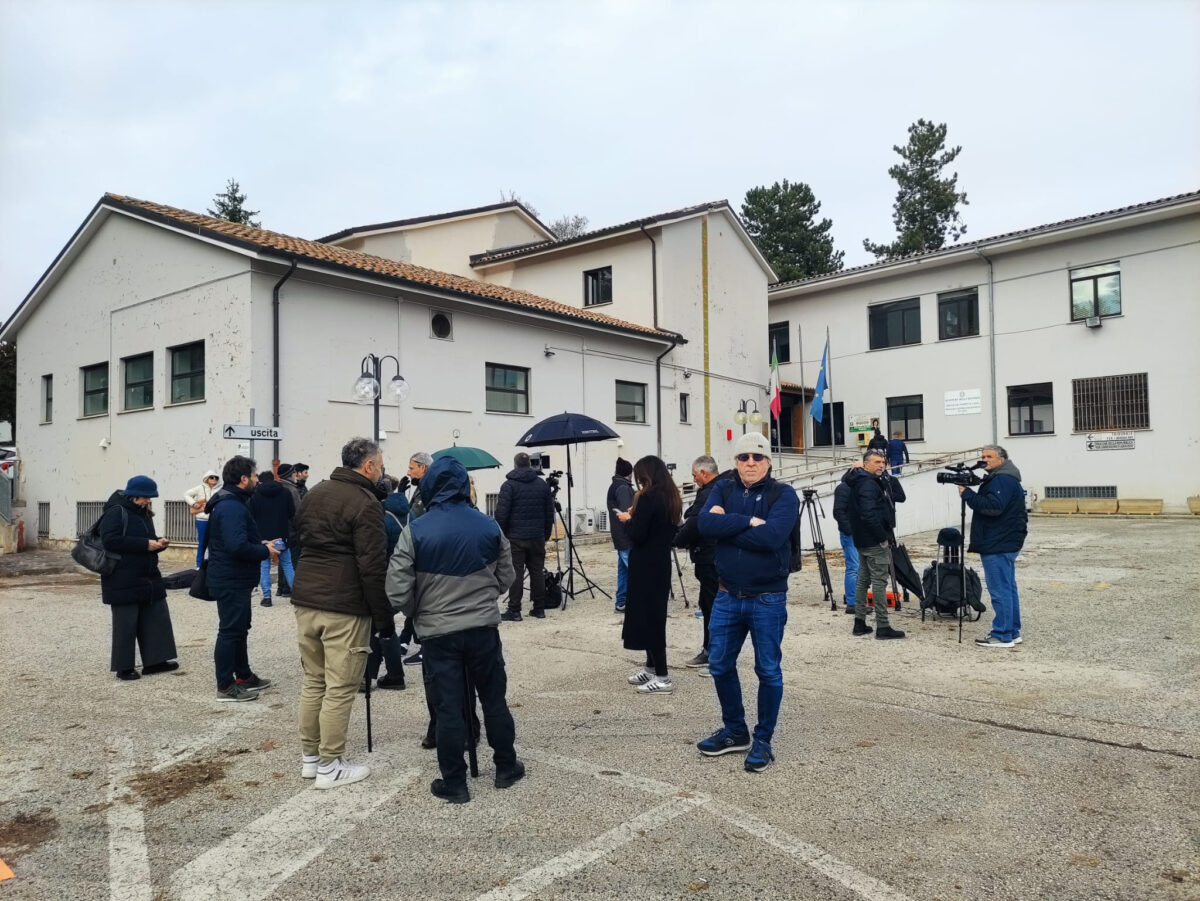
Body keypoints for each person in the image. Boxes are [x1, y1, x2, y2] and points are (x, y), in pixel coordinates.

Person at [386, 456, 523, 804]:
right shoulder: (489, 526)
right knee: (493, 698)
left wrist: (420, 611)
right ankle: (506, 767)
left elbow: (397, 590)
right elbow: (507, 576)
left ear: (429, 486)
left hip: (438, 634)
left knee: (448, 707)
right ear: (465, 486)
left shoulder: (414, 530)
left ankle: (455, 782)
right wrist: (483, 596)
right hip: (482, 628)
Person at [291, 438, 395, 789]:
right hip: (344, 604)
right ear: (368, 467)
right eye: (379, 464)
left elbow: (298, 541)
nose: (381, 470)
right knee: (340, 686)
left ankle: (310, 758)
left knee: (314, 680)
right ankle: (330, 764)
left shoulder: (315, 492)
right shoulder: (365, 503)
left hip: (306, 598)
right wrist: (384, 618)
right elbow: (373, 566)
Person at [696, 432, 798, 772]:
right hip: (726, 596)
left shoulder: (783, 494)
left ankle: (763, 741)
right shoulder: (722, 488)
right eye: (743, 457)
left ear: (768, 461)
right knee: (720, 664)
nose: (750, 463)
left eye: (757, 457)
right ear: (735, 462)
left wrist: (728, 526)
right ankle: (735, 730)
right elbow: (704, 524)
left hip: (767, 598)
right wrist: (745, 521)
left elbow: (772, 537)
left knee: (767, 670)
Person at [205, 456, 280, 702]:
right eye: (255, 476)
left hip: (236, 578)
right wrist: (264, 551)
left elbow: (237, 541)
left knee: (239, 629)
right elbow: (236, 546)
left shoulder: (233, 502)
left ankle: (243, 676)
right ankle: (225, 686)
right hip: (230, 579)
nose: (258, 480)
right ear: (244, 479)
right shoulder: (231, 507)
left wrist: (260, 543)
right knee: (230, 631)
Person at [100, 476, 178, 681]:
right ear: (135, 495)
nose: (149, 501)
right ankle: (123, 667)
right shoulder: (116, 511)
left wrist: (158, 542)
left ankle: (156, 661)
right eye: (146, 497)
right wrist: (145, 544)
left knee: (155, 616)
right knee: (125, 623)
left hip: (147, 574)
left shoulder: (143, 513)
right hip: (122, 576)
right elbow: (110, 540)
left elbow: (140, 539)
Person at [617, 456, 683, 693]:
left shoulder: (648, 497)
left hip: (645, 564)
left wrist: (628, 519)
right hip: (660, 562)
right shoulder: (672, 496)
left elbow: (638, 534)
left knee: (650, 618)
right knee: (653, 614)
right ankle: (651, 668)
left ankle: (663, 676)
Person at [960, 445, 1028, 649]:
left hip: (998, 542)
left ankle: (1003, 634)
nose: (985, 459)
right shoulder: (1005, 478)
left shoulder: (1002, 479)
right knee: (1008, 588)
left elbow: (993, 507)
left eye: (989, 456)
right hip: (1004, 540)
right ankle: (1012, 631)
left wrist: (967, 494)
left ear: (1002, 459)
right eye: (982, 456)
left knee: (1000, 590)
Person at [845, 449, 907, 640]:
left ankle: (860, 622)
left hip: (863, 539)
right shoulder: (868, 484)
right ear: (865, 464)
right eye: (877, 462)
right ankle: (883, 625)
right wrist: (882, 537)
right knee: (879, 582)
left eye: (883, 462)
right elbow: (868, 514)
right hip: (873, 540)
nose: (881, 465)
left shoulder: (860, 480)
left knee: (864, 580)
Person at [673, 455, 722, 673]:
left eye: (695, 476)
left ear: (704, 473)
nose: (694, 480)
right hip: (710, 556)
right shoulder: (716, 490)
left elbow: (695, 521)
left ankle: (715, 654)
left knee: (713, 608)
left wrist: (675, 540)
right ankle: (711, 650)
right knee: (709, 605)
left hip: (710, 558)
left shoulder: (711, 492)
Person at [495, 452, 555, 621]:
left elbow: (501, 514)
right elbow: (549, 512)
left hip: (516, 537)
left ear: (515, 465)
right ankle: (539, 608)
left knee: (516, 573)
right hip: (537, 536)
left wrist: (503, 535)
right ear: (530, 464)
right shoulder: (542, 485)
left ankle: (514, 610)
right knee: (537, 572)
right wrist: (545, 533)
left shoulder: (509, 485)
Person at [364, 474, 407, 691]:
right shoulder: (409, 512)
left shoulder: (381, 516)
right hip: (399, 575)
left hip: (382, 575)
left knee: (374, 627)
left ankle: (371, 675)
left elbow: (374, 550)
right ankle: (394, 673)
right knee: (386, 626)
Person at [247, 470, 297, 608]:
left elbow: (251, 516)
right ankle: (296, 594)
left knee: (264, 566)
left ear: (261, 481)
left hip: (263, 538)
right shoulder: (285, 492)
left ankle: (267, 597)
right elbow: (291, 513)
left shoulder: (255, 495)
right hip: (281, 536)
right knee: (287, 564)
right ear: (274, 479)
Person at [832, 462, 863, 614]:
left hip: (858, 532)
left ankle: (856, 601)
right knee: (854, 568)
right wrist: (850, 530)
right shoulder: (844, 488)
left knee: (857, 568)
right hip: (851, 534)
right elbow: (838, 512)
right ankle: (852, 602)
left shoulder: (856, 487)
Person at [606, 458, 636, 613]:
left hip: (619, 535)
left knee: (624, 572)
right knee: (635, 571)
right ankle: (638, 602)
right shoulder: (623, 488)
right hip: (626, 536)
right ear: (629, 473)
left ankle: (621, 602)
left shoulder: (616, 486)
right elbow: (628, 513)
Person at [275, 463, 303, 597]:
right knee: (292, 558)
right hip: (291, 530)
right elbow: (298, 512)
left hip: (277, 530)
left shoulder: (277, 488)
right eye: (294, 473)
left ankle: (281, 587)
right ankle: (289, 588)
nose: (296, 475)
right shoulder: (292, 490)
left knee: (283, 558)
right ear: (289, 475)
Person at [183, 470, 220, 569]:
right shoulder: (200, 488)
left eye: (216, 477)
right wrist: (194, 504)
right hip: (202, 520)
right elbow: (186, 494)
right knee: (202, 543)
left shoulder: (220, 489)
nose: (214, 479)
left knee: (214, 543)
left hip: (215, 520)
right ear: (207, 478)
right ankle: (199, 565)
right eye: (212, 477)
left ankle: (212, 565)